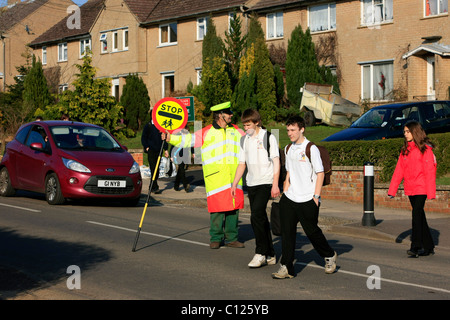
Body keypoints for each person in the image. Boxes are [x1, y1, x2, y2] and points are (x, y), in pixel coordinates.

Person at [163, 101, 245, 249]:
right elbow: (188, 140)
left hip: (234, 178)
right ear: (220, 115)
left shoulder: (237, 131)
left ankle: (232, 238)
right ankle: (216, 237)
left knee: (233, 208)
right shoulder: (207, 132)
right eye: (228, 113)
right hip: (216, 178)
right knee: (217, 209)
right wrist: (170, 138)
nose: (232, 115)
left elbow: (252, 141)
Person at [272, 115, 336, 279]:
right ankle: (287, 267)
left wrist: (316, 196)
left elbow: (320, 173)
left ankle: (329, 255)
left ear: (302, 129)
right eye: (288, 130)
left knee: (312, 232)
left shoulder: (311, 148)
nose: (290, 133)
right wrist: (285, 186)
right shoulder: (288, 148)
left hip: (308, 198)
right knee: (287, 233)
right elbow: (289, 171)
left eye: (293, 130)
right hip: (290, 197)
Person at [231, 109, 280, 267]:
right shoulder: (244, 140)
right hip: (251, 183)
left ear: (257, 122)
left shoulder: (269, 137)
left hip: (266, 181)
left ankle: (260, 253)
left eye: (248, 125)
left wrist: (275, 184)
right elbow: (241, 163)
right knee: (261, 219)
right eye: (244, 125)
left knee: (256, 215)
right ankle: (270, 253)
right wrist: (234, 183)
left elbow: (276, 161)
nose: (246, 128)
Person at [388, 120, 436, 257]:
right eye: (404, 132)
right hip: (410, 187)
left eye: (408, 131)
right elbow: (399, 171)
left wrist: (431, 192)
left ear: (415, 132)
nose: (405, 134)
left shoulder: (425, 150)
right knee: (420, 216)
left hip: (421, 188)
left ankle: (415, 246)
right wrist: (392, 190)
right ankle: (429, 246)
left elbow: (429, 172)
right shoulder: (405, 150)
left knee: (416, 215)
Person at [142, 113, 168, 194]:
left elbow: (164, 138)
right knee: (153, 168)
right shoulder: (148, 126)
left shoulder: (161, 126)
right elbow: (143, 137)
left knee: (157, 169)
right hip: (151, 150)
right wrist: (146, 147)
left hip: (159, 150)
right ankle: (155, 187)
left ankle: (152, 186)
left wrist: (166, 149)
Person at [169, 125, 194, 192]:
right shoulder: (177, 136)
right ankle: (186, 185)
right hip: (178, 155)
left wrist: (193, 153)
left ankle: (176, 186)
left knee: (180, 170)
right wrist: (171, 155)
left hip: (185, 155)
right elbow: (173, 145)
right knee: (182, 171)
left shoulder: (189, 137)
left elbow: (191, 145)